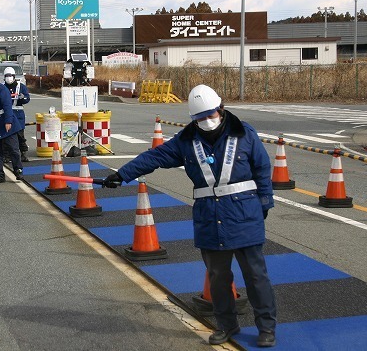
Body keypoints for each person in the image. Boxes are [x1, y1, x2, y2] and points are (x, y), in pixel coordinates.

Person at [103, 84, 277, 348]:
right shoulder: (186, 141)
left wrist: (263, 204)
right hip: (209, 217)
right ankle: (227, 326)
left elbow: (262, 170)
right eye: (199, 118)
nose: (206, 121)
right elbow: (156, 156)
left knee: (256, 275)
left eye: (210, 114)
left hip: (245, 214)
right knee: (218, 277)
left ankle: (266, 328)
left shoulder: (245, 134)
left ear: (220, 109)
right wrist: (122, 174)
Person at [3, 66, 30, 162]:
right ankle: (7, 155)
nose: (8, 77)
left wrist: (22, 98)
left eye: (10, 75)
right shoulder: (2, 87)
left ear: (14, 76)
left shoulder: (21, 86)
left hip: (18, 114)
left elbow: (27, 98)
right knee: (6, 135)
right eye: (7, 76)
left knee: (20, 135)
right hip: (6, 114)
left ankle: (23, 153)